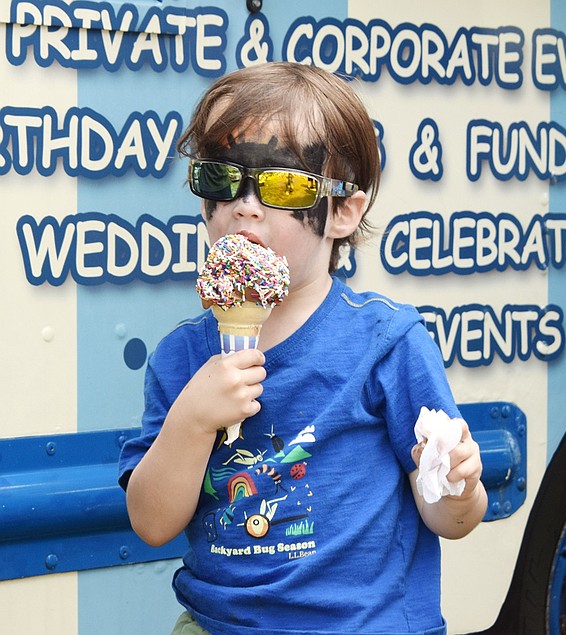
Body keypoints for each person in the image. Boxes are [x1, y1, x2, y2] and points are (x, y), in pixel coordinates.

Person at [118, 61, 487, 635]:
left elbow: (448, 516)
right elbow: (151, 523)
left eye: (282, 184)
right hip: (219, 624)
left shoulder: (387, 344)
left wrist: (459, 484)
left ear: (343, 211)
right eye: (220, 177)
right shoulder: (182, 357)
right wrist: (191, 421)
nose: (245, 204)